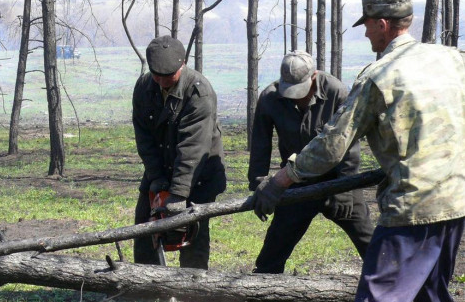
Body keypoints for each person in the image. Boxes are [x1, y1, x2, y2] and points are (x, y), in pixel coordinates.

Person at [251, 0, 465, 300]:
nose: (365, 34)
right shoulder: (452, 58)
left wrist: (281, 179)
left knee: (377, 296)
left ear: (382, 24)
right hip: (456, 202)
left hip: (413, 207)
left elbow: (332, 145)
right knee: (429, 294)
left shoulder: (379, 76)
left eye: (366, 25)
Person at [248, 50, 374, 274]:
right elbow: (260, 145)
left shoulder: (336, 91)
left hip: (338, 180)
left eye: (301, 91)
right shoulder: (270, 97)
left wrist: (345, 188)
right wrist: (260, 186)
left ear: (314, 76)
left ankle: (398, 288)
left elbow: (349, 141)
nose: (296, 97)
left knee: (372, 247)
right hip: (295, 182)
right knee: (271, 257)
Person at [132, 35, 226, 270]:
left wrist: (178, 194)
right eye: (157, 75)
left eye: (168, 76)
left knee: (193, 231)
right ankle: (144, 287)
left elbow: (192, 149)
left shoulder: (199, 93)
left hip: (199, 172)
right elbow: (144, 138)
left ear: (182, 64)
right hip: (162, 166)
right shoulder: (144, 88)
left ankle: (192, 289)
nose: (161, 81)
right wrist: (157, 180)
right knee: (145, 226)